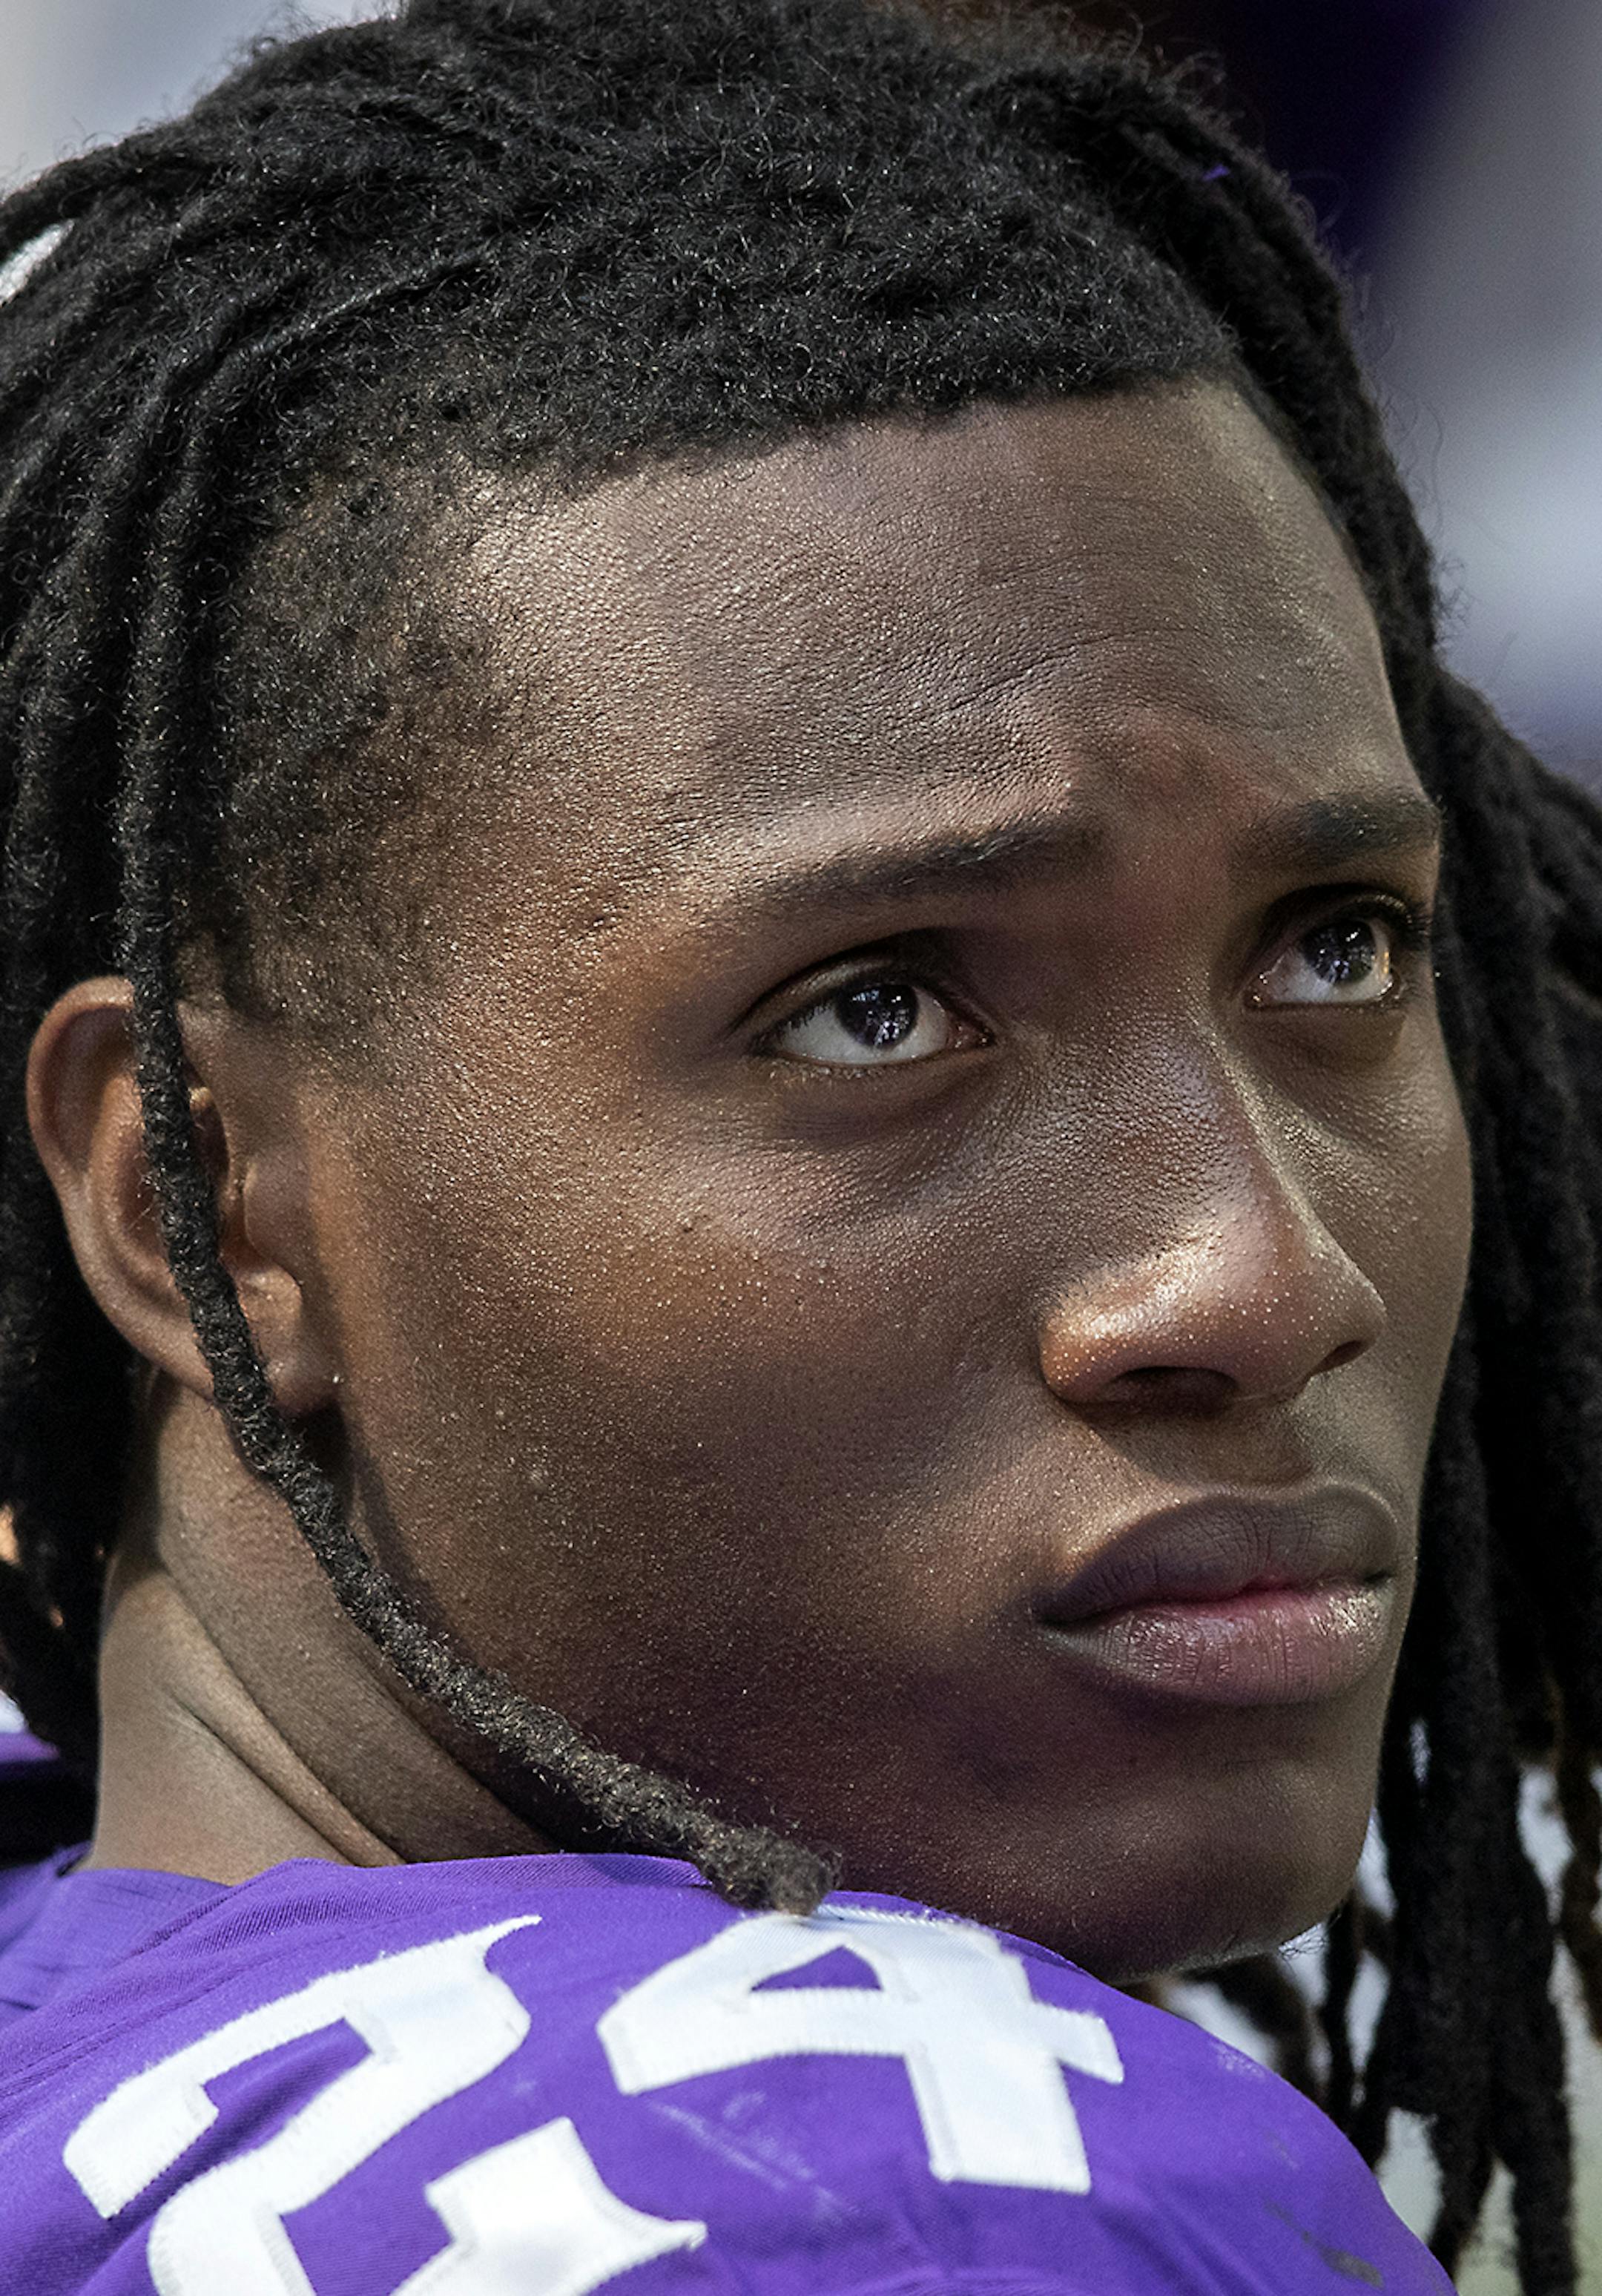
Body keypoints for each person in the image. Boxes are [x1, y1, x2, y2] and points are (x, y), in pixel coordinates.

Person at [0, 0, 1597, 2288]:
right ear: (197, 1198)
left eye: (1335, 949)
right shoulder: (905, 2204)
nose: (1263, 1280)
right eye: (877, 1011)